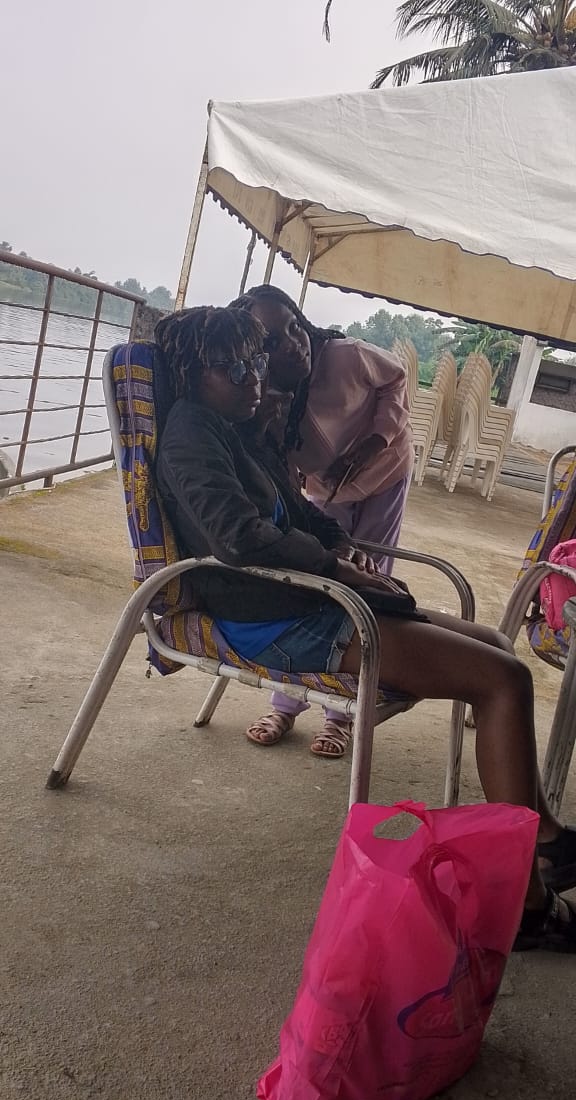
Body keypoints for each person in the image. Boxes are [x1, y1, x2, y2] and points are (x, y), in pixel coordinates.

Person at [153, 303, 576, 951]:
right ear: (191, 374)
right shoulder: (191, 435)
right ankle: (525, 905)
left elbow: (304, 516)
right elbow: (237, 537)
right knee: (503, 680)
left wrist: (345, 552)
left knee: (496, 647)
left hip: (307, 596)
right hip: (270, 615)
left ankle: (541, 839)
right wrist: (336, 569)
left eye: (256, 360)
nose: (253, 376)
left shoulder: (241, 430)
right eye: (231, 367)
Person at [230, 285, 414, 758]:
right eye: (273, 341)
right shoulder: (260, 395)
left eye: (295, 327)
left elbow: (396, 381)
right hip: (324, 491)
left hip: (386, 470)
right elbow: (275, 465)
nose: (294, 344)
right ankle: (285, 703)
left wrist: (376, 440)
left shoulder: (347, 356)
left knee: (367, 576)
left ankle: (339, 714)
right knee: (314, 583)